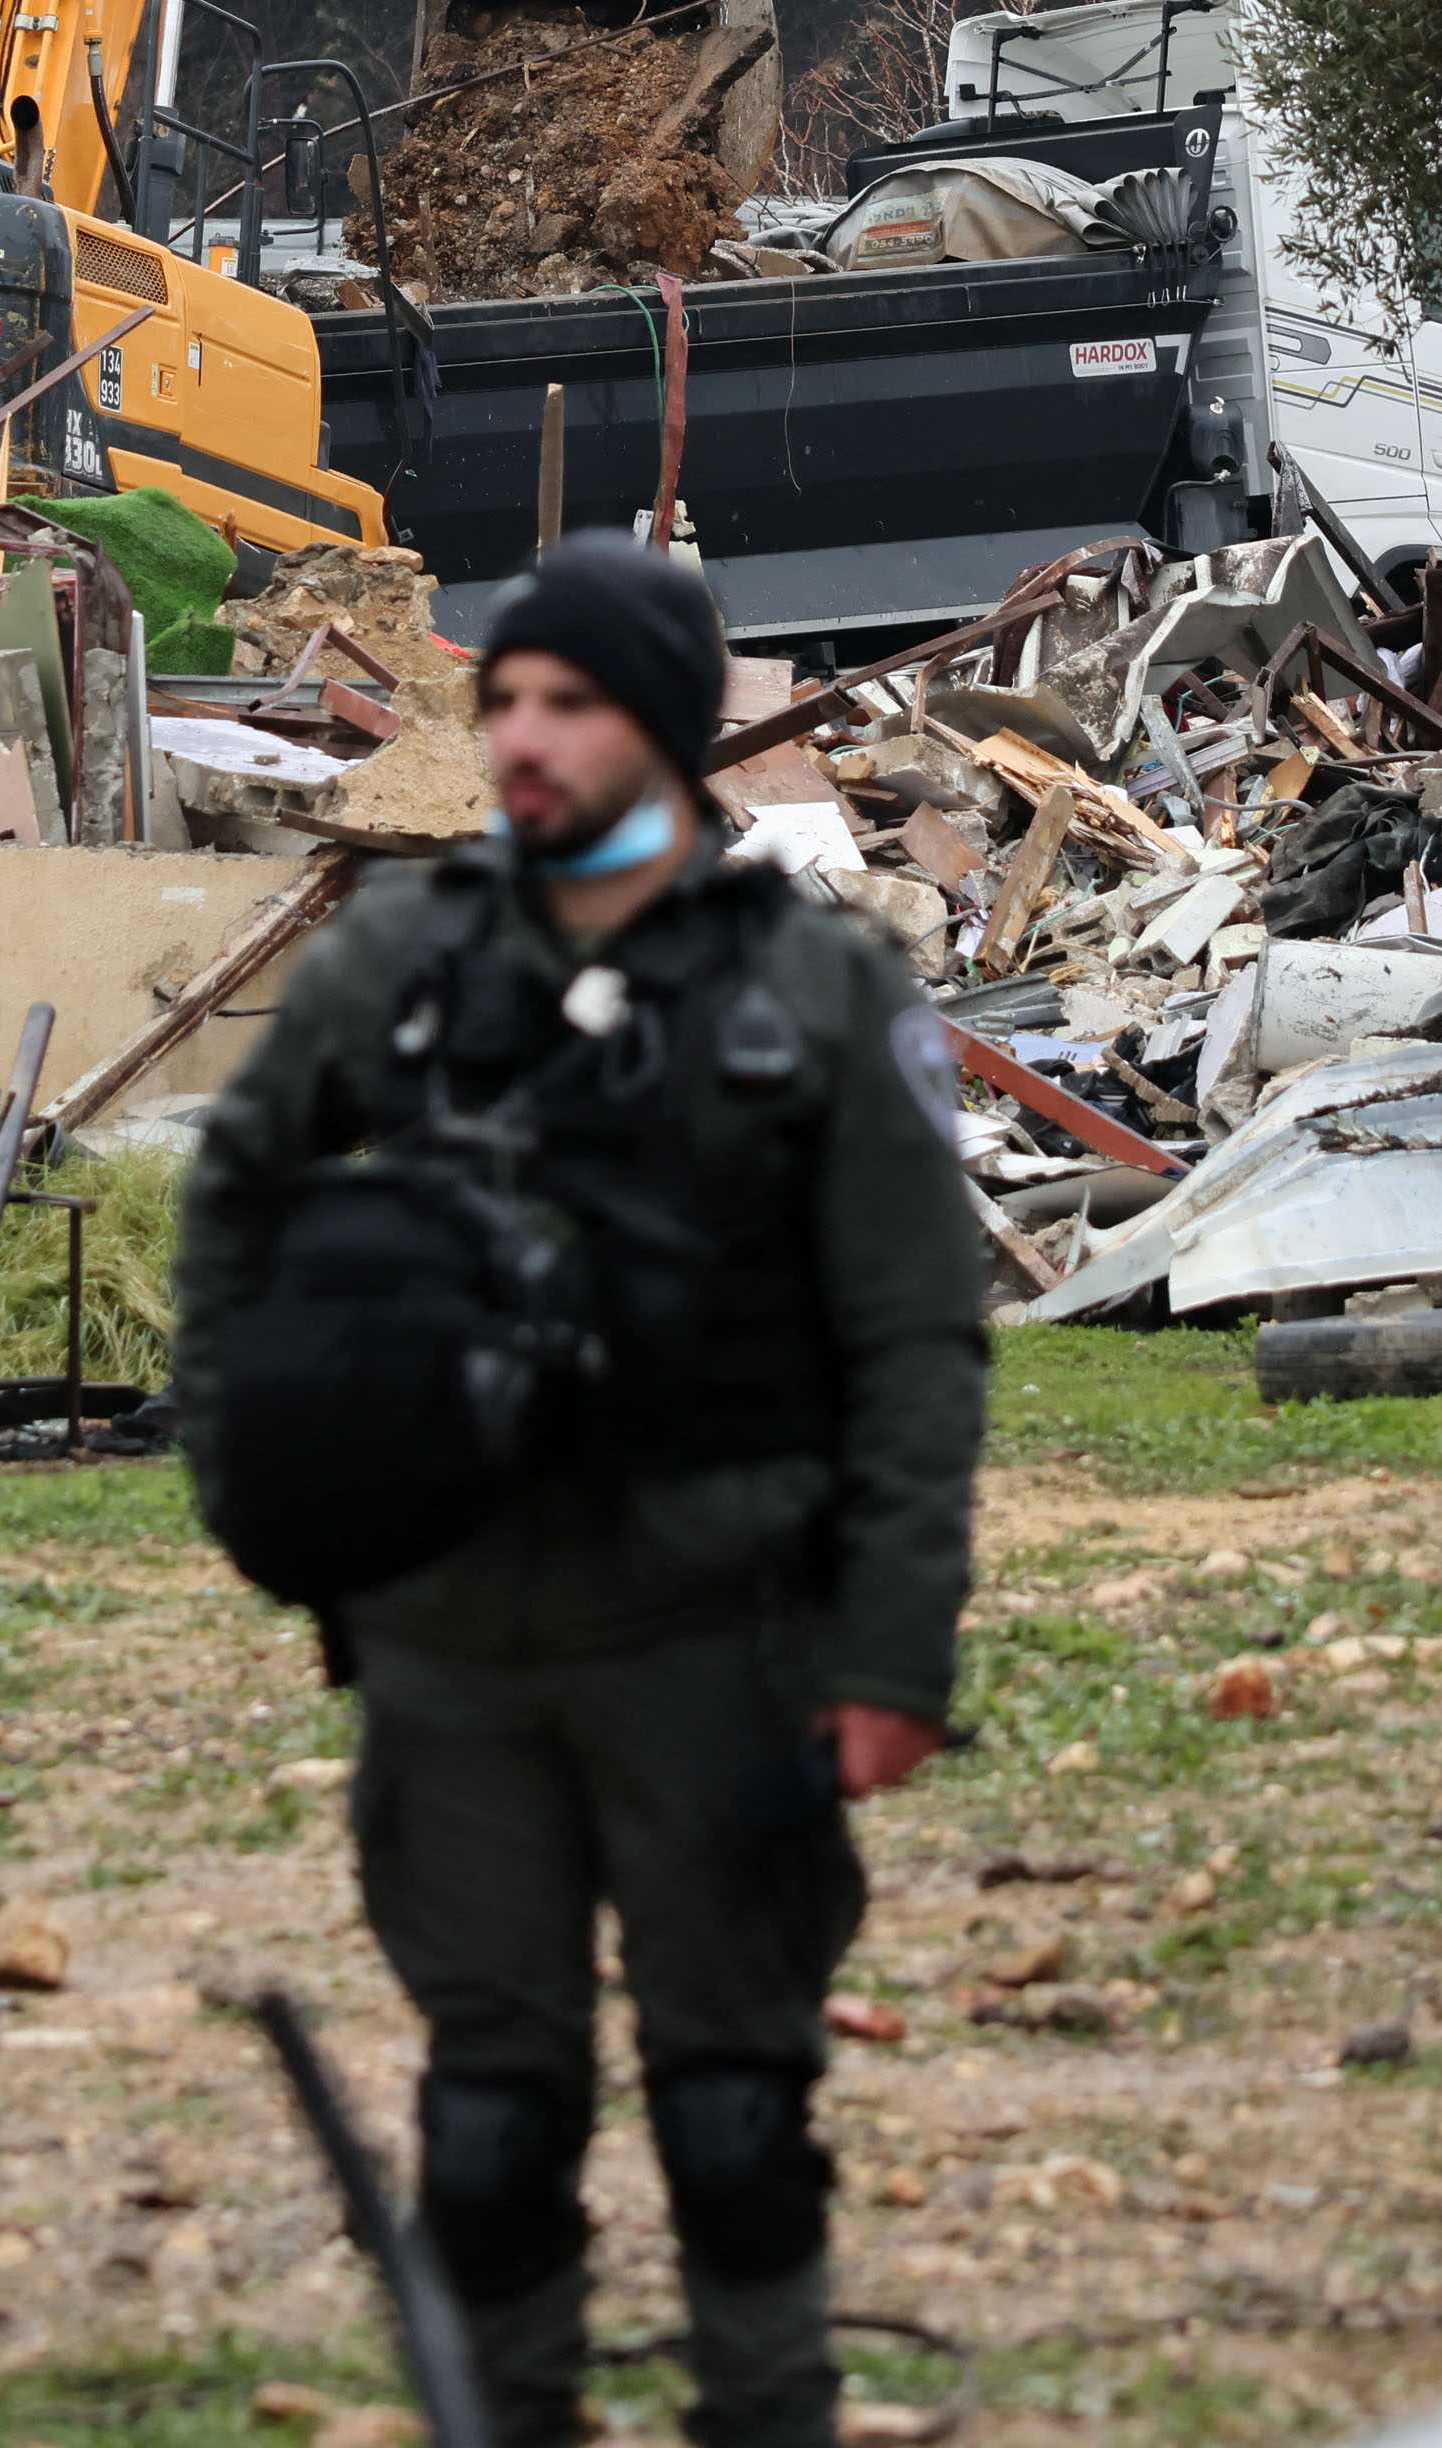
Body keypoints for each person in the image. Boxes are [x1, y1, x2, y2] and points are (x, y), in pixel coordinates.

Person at [172, 532, 989, 2448]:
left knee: (730, 2097)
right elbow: (237, 1207)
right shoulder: (401, 956)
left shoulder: (810, 987)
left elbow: (915, 1339)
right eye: (506, 702)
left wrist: (893, 1649)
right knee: (491, 2100)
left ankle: (765, 2412)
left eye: (575, 703)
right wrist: (262, 1478)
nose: (526, 740)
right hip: (451, 1635)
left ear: (670, 734)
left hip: (721, 1630)